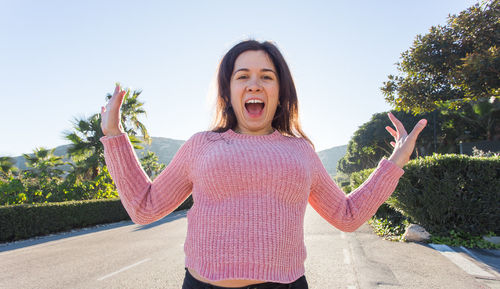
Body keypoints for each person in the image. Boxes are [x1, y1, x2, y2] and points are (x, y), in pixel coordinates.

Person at [99, 40, 427, 289]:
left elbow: (347, 215)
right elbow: (144, 207)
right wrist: (114, 135)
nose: (254, 84)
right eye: (243, 76)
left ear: (281, 93)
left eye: (266, 77)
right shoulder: (201, 145)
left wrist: (396, 160)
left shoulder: (301, 151)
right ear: (228, 93)